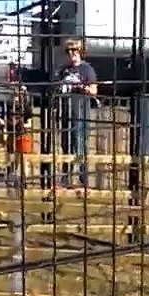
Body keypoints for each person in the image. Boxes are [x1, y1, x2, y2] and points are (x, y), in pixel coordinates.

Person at [54, 38, 99, 190]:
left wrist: (82, 87)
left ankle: (83, 179)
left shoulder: (87, 69)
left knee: (80, 145)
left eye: (74, 50)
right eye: (68, 51)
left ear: (80, 52)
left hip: (81, 112)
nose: (72, 54)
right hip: (66, 111)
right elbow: (57, 86)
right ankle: (65, 178)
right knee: (65, 145)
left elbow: (94, 91)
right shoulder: (64, 70)